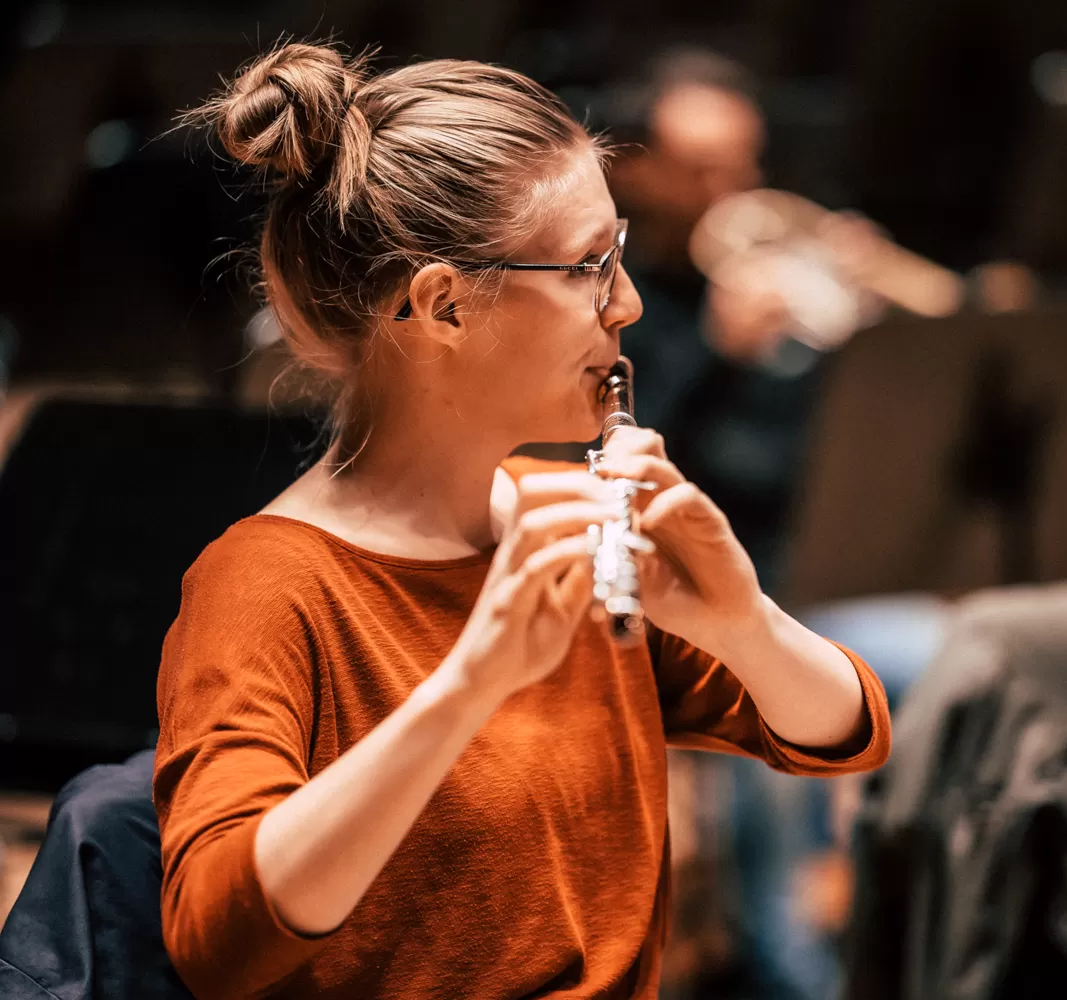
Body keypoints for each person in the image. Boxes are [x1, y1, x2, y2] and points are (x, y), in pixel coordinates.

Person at [152, 42, 891, 1000]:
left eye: (618, 255)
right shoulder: (266, 586)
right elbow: (216, 943)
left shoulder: (568, 523)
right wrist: (468, 684)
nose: (625, 301)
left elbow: (843, 732)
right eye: (590, 266)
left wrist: (739, 622)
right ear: (444, 307)